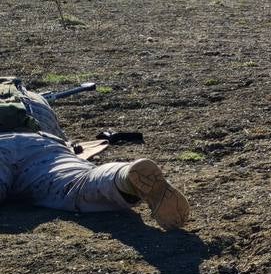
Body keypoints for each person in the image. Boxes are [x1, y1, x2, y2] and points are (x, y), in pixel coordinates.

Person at [0, 77, 190, 229]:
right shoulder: (29, 97)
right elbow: (68, 145)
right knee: (78, 183)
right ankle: (123, 177)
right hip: (42, 144)